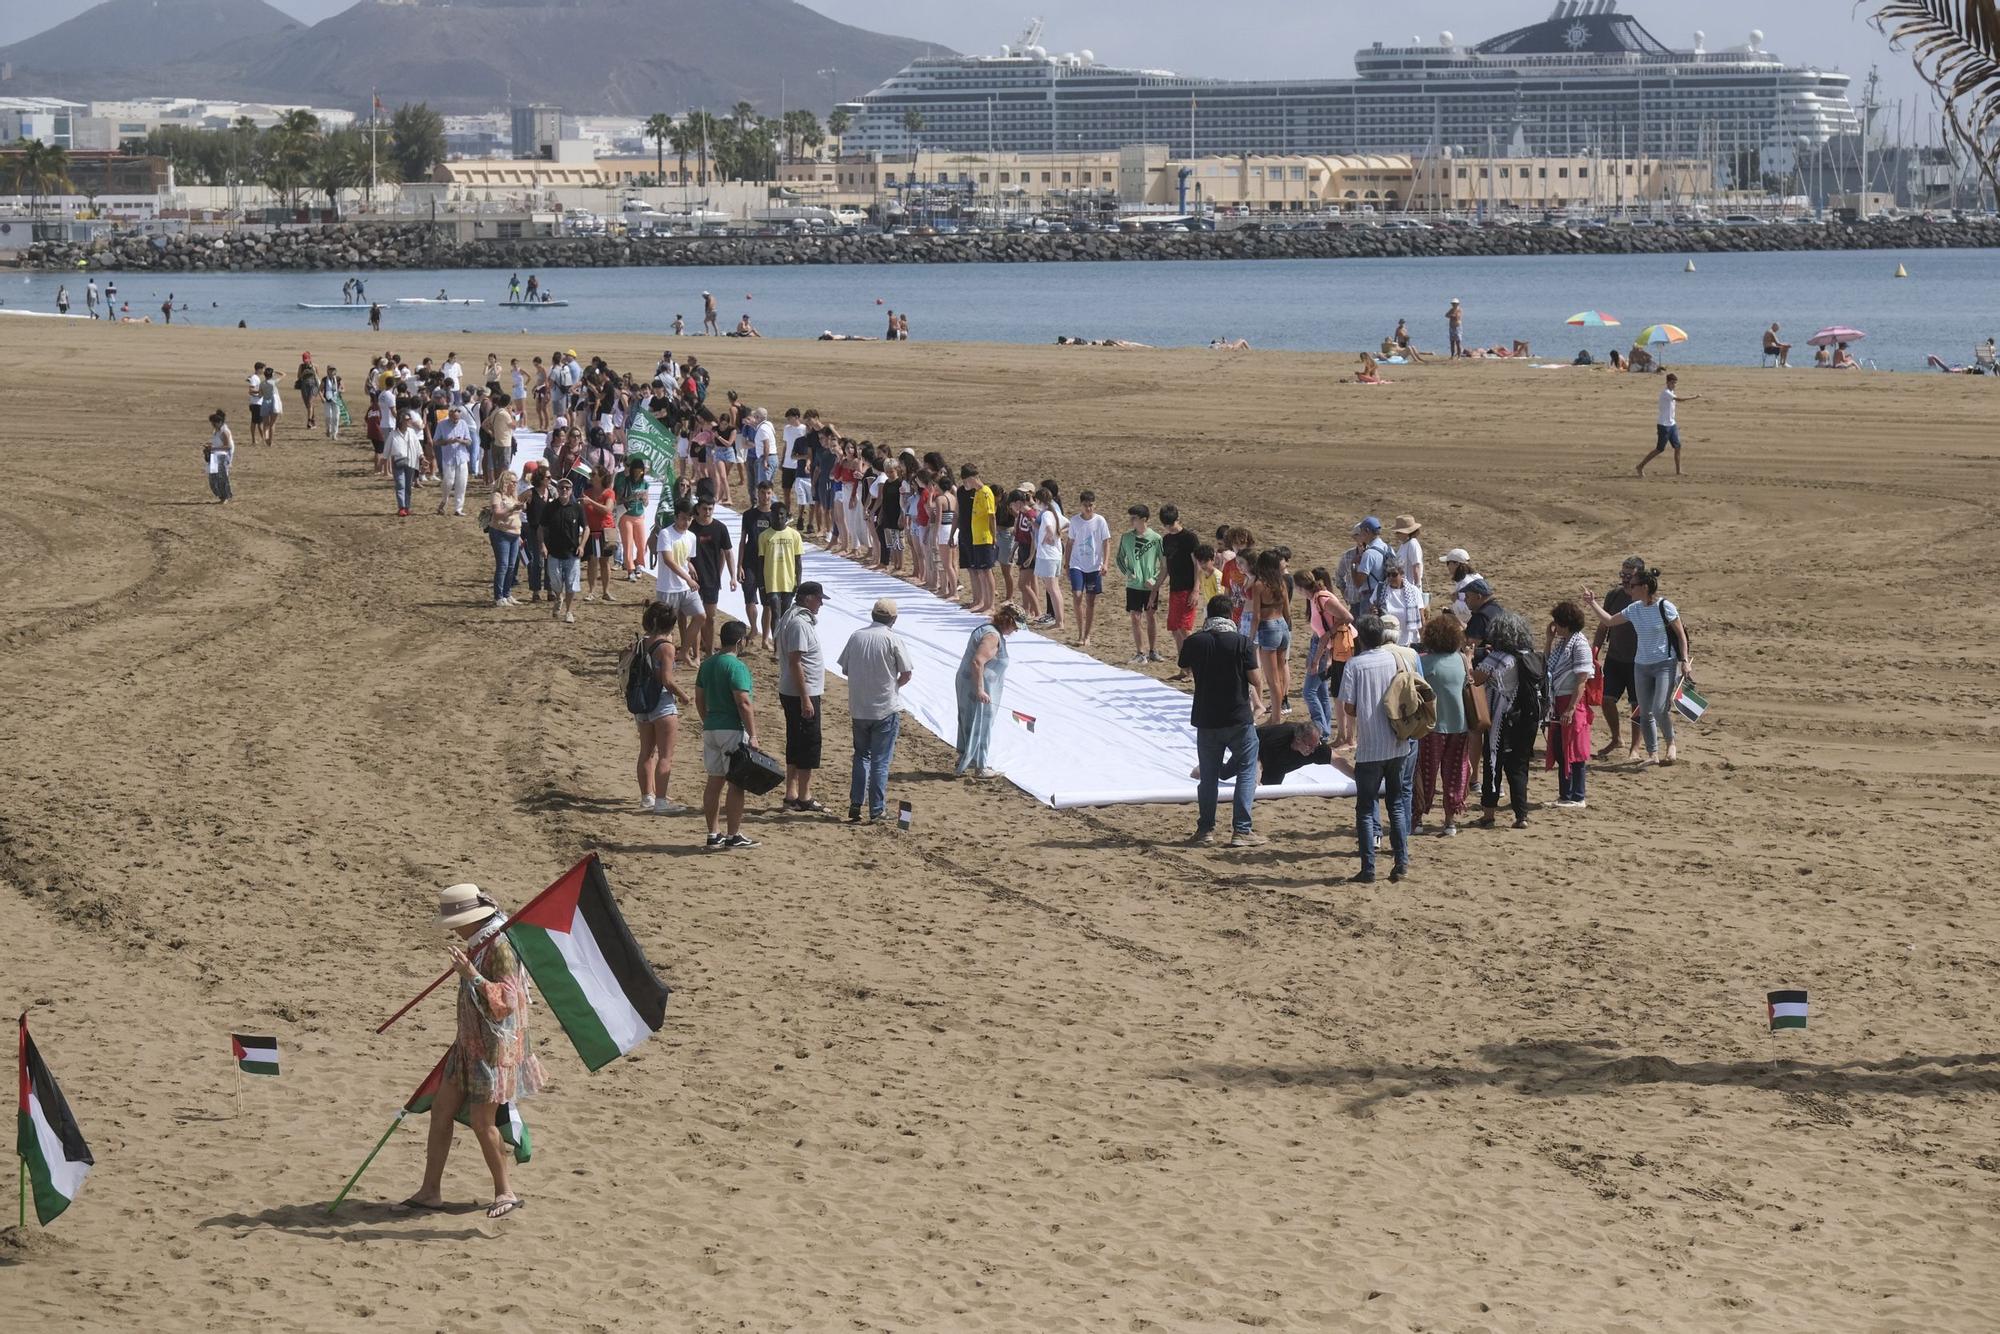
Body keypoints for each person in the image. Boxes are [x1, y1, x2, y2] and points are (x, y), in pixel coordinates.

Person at [400, 883, 544, 1220]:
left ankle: (505, 1191)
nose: (453, 928)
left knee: (483, 1122)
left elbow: (507, 1004)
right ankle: (430, 1191)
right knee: (441, 1111)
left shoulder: (501, 947)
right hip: (467, 1043)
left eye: (456, 921)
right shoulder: (481, 942)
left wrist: (471, 975)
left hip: (494, 1051)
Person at [1180, 594, 1266, 848]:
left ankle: (1205, 829)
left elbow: (1185, 667)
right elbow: (1256, 680)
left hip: (1207, 718)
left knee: (1208, 776)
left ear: (1209, 615)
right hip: (1238, 716)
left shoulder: (1195, 641)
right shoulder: (1242, 643)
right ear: (1231, 615)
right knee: (1247, 771)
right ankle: (1241, 829)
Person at [1581, 567, 1690, 765]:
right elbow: (1609, 621)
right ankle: (1652, 754)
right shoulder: (1634, 609)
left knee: (1659, 708)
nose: (1629, 589)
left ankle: (1671, 744)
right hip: (1641, 665)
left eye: (1633, 586)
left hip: (1665, 664)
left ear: (1644, 588)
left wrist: (1684, 660)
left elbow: (1681, 635)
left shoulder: (1665, 606)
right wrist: (1592, 603)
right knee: (1644, 711)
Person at [1339, 615, 1411, 883]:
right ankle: (1401, 862)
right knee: (1396, 803)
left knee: (1366, 808)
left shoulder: (1355, 665)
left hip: (1370, 747)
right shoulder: (1395, 658)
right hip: (1397, 741)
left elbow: (1349, 707)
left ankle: (1369, 867)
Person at [839, 597, 915, 822]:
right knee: (880, 761)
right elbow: (907, 673)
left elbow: (846, 669)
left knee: (861, 756)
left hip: (860, 707)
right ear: (893, 619)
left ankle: (855, 804)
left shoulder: (857, 636)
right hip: (884, 708)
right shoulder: (892, 639)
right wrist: (893, 687)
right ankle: (877, 809)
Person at [695, 620, 761, 851]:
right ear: (740, 641)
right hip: (731, 728)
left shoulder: (707, 664)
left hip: (712, 726)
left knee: (714, 781)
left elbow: (699, 698)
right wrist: (753, 734)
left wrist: (707, 721)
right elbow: (743, 702)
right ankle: (734, 834)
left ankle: (713, 834)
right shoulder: (737, 667)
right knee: (736, 783)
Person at [1473, 610, 1540, 829]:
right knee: (1519, 767)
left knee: (1493, 762)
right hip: (1527, 718)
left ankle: (1489, 814)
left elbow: (1476, 679)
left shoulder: (1497, 657)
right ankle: (1521, 815)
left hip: (1501, 718)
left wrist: (1468, 658)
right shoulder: (1530, 655)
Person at [629, 601, 691, 815]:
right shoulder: (666, 647)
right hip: (661, 702)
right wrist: (683, 695)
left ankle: (647, 796)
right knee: (666, 755)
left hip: (642, 701)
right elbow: (666, 679)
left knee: (646, 752)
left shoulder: (641, 642)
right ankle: (662, 802)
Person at [1415, 615, 1472, 836]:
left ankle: (1418, 817)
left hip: (1432, 726)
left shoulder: (1423, 661)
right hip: (1459, 724)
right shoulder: (1460, 659)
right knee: (1455, 773)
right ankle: (1450, 821)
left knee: (1424, 774)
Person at [774, 581, 828, 813]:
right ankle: (803, 796)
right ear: (808, 599)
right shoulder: (798, 623)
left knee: (796, 742)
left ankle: (792, 794)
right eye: (818, 599)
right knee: (808, 744)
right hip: (801, 693)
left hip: (796, 691)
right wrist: (805, 698)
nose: (821, 603)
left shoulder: (792, 617)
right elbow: (796, 662)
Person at [955, 602, 1024, 778]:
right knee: (981, 723)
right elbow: (978, 662)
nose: (1015, 631)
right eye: (1015, 626)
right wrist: (980, 689)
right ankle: (980, 766)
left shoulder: (989, 630)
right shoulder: (992, 636)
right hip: (978, 686)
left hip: (971, 683)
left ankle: (967, 758)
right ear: (1007, 621)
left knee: (970, 720)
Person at [1592, 555, 1646, 757]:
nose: (1624, 579)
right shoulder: (1614, 595)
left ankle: (1635, 746)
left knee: (1636, 705)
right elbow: (1603, 624)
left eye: (1629, 575)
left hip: (1639, 661)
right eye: (1622, 574)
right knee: (1606, 699)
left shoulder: (1646, 598)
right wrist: (1595, 650)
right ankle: (1616, 738)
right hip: (1615, 657)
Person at [1545, 601, 1596, 808]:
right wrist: (1548, 640)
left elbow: (1582, 679)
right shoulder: (1564, 642)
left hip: (1571, 701)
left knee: (1574, 749)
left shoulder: (1579, 643)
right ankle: (1565, 795)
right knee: (1560, 748)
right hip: (1559, 699)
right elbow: (1547, 664)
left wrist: (1571, 708)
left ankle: (1577, 796)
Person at [1300, 568, 1353, 742]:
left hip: (1334, 647)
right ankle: (1325, 731)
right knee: (1321, 690)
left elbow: (1348, 617)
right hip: (1327, 647)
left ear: (1301, 588)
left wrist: (1329, 634)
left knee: (1309, 691)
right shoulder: (1315, 599)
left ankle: (1321, 730)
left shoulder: (1322, 598)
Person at [651, 502, 703, 658]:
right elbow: (668, 560)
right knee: (665, 628)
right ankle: (663, 656)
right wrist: (688, 578)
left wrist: (690, 566)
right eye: (683, 518)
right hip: (668, 587)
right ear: (676, 517)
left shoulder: (691, 536)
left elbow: (684, 558)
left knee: (700, 615)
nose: (686, 522)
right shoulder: (666, 534)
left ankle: (685, 651)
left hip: (685, 587)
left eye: (689, 519)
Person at [688, 498, 736, 658]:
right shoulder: (691, 528)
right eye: (704, 509)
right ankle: (695, 653)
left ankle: (709, 650)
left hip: (712, 579)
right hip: (692, 579)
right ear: (698, 509)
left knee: (710, 617)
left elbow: (728, 553)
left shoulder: (720, 528)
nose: (707, 512)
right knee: (696, 617)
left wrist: (733, 577)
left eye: (710, 509)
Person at [1116, 504, 1164, 664]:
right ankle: (1140, 653)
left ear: (1144, 519)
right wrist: (1128, 573)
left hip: (1150, 587)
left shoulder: (1156, 538)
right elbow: (1119, 559)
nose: (1131, 521)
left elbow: (1163, 564)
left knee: (1151, 616)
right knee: (1135, 618)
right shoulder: (1126, 538)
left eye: (1134, 518)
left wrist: (1155, 579)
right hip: (1133, 586)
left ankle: (1153, 651)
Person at [1065, 489, 1112, 648]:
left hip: (1094, 565)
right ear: (1081, 505)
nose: (1088, 508)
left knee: (1090, 601)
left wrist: (1105, 563)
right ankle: (1080, 633)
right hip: (1077, 563)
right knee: (1077, 596)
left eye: (1091, 505)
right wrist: (1067, 564)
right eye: (1085, 505)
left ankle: (1087, 634)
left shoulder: (1100, 521)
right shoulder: (1075, 521)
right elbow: (1070, 543)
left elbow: (1106, 542)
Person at [1249, 551, 1292, 724]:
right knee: (1281, 675)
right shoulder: (1281, 583)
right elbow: (1287, 611)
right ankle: (1277, 714)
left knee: (1272, 679)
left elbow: (1256, 616)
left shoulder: (1259, 585)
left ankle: (1275, 718)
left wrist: (1251, 637)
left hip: (1268, 627)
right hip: (1282, 625)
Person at [539, 475, 587, 625]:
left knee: (571, 584)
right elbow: (541, 528)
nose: (564, 490)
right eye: (561, 487)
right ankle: (559, 597)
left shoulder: (577, 508)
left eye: (567, 488)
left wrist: (582, 545)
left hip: (572, 552)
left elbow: (586, 528)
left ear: (572, 490)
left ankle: (569, 611)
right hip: (554, 551)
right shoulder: (550, 507)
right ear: (557, 490)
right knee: (556, 582)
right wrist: (542, 545)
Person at [1158, 503, 1199, 668]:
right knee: (1175, 628)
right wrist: (1156, 587)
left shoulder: (1189, 538)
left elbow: (1197, 564)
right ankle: (1184, 667)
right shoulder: (1166, 540)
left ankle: (1194, 666)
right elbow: (1166, 567)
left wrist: (1196, 589)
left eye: (1171, 524)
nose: (1170, 528)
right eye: (1167, 525)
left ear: (1177, 520)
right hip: (1174, 588)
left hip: (1188, 588)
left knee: (1185, 629)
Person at [1637, 373, 1697, 477]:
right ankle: (1640, 466)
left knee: (1678, 446)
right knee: (1660, 449)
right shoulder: (1666, 393)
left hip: (1672, 424)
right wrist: (1694, 397)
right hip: (1663, 425)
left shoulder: (1671, 392)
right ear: (1668, 382)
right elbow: (1680, 399)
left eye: (1675, 383)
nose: (1674, 385)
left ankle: (1678, 471)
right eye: (1673, 383)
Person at [485, 470, 526, 607]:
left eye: (516, 482)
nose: (515, 485)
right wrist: (512, 508)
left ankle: (507, 594)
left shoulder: (513, 497)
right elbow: (496, 514)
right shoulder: (497, 496)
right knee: (502, 565)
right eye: (513, 482)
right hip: (500, 532)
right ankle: (499, 596)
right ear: (506, 482)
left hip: (515, 534)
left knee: (511, 565)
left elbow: (516, 517)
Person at [758, 502, 804, 620]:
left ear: (786, 516)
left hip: (788, 581)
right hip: (771, 581)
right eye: (776, 514)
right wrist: (762, 585)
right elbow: (761, 562)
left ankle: (784, 638)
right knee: (775, 613)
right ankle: (776, 639)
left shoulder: (795, 535)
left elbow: (798, 561)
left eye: (781, 514)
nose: (779, 517)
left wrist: (798, 583)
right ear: (771, 515)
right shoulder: (764, 536)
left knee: (785, 614)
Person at [962, 465, 997, 614]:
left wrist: (993, 537)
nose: (965, 485)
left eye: (965, 481)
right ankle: (984, 602)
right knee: (981, 572)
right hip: (977, 538)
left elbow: (991, 516)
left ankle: (991, 605)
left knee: (986, 571)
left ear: (971, 478)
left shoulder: (985, 492)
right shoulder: (977, 493)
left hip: (985, 537)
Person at [613, 457, 651, 587]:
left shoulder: (645, 483)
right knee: (628, 544)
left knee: (641, 544)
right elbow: (618, 499)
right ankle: (630, 570)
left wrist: (644, 499)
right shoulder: (625, 482)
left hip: (639, 515)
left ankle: (638, 564)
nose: (638, 473)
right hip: (626, 515)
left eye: (641, 471)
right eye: (636, 470)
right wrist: (631, 497)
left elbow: (646, 503)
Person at [386, 409, 424, 517]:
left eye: (410, 419)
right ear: (401, 421)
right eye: (407, 419)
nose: (409, 421)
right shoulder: (393, 434)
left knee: (408, 486)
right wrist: (383, 461)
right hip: (398, 462)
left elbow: (417, 446)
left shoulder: (412, 432)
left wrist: (421, 456)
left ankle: (407, 507)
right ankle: (401, 507)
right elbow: (387, 449)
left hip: (411, 462)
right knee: (400, 484)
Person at [204, 409, 235, 504]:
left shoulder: (224, 432)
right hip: (215, 456)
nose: (212, 425)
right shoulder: (217, 431)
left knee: (221, 477)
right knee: (213, 477)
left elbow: (227, 447)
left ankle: (225, 497)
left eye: (214, 423)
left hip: (222, 457)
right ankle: (221, 496)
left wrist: (213, 448)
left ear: (219, 422)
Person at [296, 356, 320, 430]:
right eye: (304, 360)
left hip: (314, 386)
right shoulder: (301, 366)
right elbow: (298, 377)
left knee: (310, 402)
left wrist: (313, 370)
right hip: (304, 386)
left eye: (307, 359)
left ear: (310, 359)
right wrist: (303, 373)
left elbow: (318, 377)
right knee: (308, 405)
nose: (305, 361)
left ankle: (309, 422)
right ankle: (313, 421)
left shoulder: (315, 366)